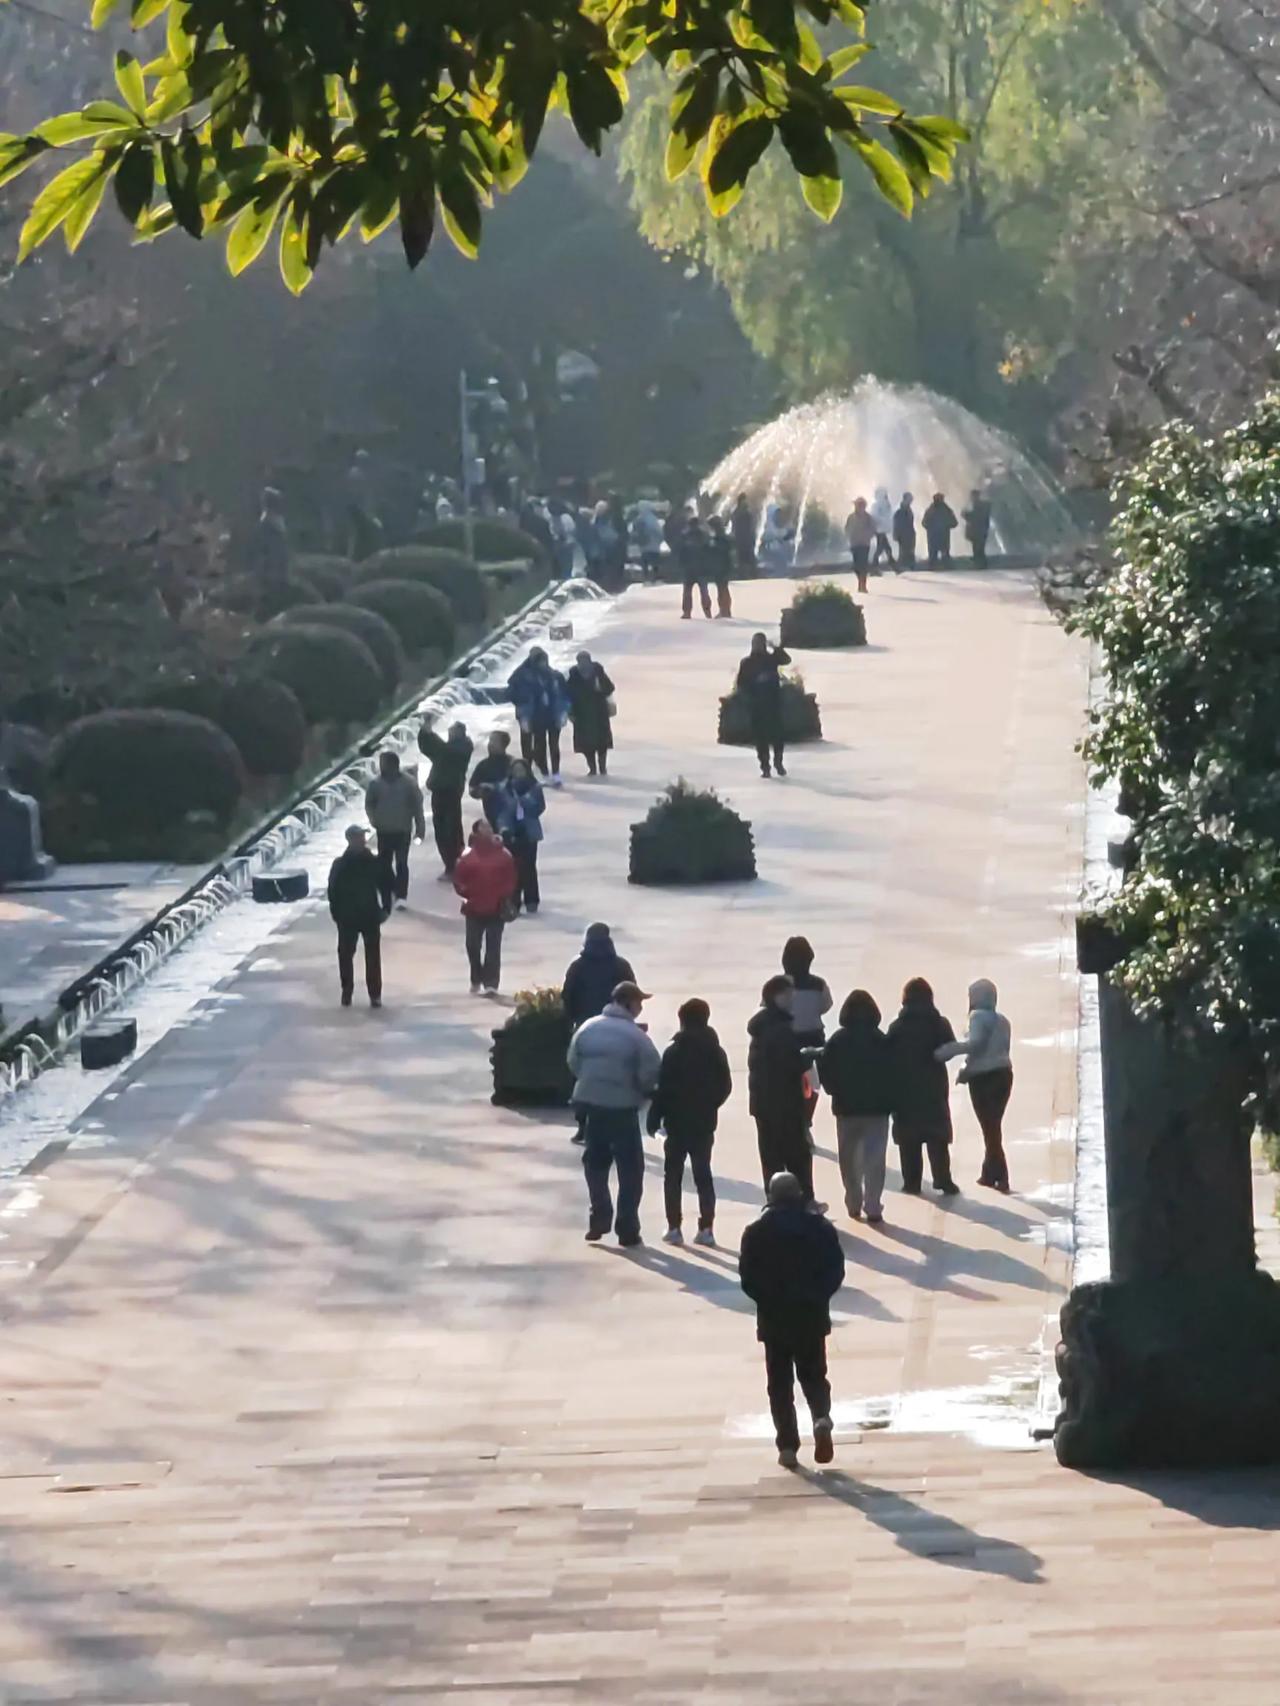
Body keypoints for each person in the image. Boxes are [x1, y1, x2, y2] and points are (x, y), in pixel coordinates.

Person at [739, 1171, 844, 1469]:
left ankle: (787, 1445)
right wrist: (819, 1295)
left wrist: (767, 1299)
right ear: (799, 1194)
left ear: (771, 1196)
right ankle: (821, 1417)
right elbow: (835, 1270)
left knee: (779, 1383)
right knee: (814, 1375)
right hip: (810, 1314)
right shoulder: (820, 1228)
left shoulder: (756, 1232)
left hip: (775, 1319)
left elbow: (748, 1278)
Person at [568, 981, 662, 1248]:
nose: (641, 1008)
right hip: (622, 1107)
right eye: (639, 1003)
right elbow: (650, 1070)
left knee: (595, 1164)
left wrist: (591, 1082)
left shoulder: (588, 1027)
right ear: (629, 1003)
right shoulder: (636, 1036)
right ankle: (627, 1227)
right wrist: (642, 1092)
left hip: (592, 1105)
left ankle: (599, 1216)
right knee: (630, 1169)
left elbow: (573, 1061)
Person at [648, 998, 732, 1248]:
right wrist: (711, 1104)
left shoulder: (674, 1051)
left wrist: (655, 1117)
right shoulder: (715, 1051)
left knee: (672, 1175)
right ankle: (706, 1228)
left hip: (676, 1122)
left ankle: (674, 1227)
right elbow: (725, 1085)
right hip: (704, 1122)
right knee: (703, 1174)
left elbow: (663, 1088)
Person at [819, 990, 895, 1223]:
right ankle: (873, 1205)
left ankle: (853, 1200)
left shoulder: (837, 1040)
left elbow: (825, 1070)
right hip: (877, 1109)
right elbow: (895, 1074)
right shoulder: (881, 1039)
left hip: (846, 1109)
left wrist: (833, 1089)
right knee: (875, 1159)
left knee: (849, 1160)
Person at [936, 978, 1013, 1191]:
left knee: (990, 1126)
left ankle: (1001, 1174)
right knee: (993, 1124)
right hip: (1004, 1074)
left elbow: (976, 1046)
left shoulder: (977, 1016)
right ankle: (989, 1173)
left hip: (984, 1078)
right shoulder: (1003, 1021)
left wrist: (950, 1050)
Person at [887, 977, 959, 1195]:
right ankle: (943, 1179)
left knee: (909, 1139)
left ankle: (912, 1181)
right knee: (937, 1136)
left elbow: (888, 1057)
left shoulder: (897, 1027)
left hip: (904, 1089)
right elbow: (949, 1050)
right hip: (933, 1088)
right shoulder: (939, 1023)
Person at [748, 975, 814, 1201]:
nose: (792, 1000)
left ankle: (774, 1200)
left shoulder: (761, 1028)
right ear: (776, 997)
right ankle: (804, 1200)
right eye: (788, 995)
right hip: (785, 1103)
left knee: (770, 1158)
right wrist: (805, 1059)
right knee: (798, 1156)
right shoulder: (780, 1029)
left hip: (762, 1105)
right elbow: (789, 1065)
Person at [450, 819, 517, 995]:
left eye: (489, 827)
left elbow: (511, 879)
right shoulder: (467, 856)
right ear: (476, 832)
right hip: (473, 908)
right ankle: (476, 976)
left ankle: (491, 983)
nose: (488, 830)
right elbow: (458, 880)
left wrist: (504, 895)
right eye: (483, 827)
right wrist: (467, 893)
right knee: (472, 945)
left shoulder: (504, 855)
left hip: (496, 908)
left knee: (493, 947)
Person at [327, 825, 383, 1009]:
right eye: (360, 837)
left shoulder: (367, 862)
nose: (363, 840)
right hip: (354, 916)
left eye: (363, 837)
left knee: (366, 955)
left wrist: (385, 909)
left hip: (361, 916)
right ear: (351, 839)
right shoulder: (345, 864)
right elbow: (332, 892)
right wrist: (336, 913)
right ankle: (350, 991)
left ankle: (372, 993)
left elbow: (386, 884)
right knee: (350, 955)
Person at [364, 749, 425, 915]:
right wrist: (373, 819)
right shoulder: (375, 784)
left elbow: (417, 806)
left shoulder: (408, 783)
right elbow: (369, 803)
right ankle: (391, 888)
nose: (381, 767)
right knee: (384, 863)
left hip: (403, 829)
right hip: (383, 830)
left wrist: (420, 828)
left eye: (384, 763)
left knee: (401, 863)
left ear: (393, 765)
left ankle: (401, 896)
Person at [781, 936, 833, 1131]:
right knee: (813, 1083)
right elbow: (826, 1005)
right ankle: (807, 1119)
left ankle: (792, 1118)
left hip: (787, 1038)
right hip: (813, 1037)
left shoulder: (780, 985)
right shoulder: (819, 984)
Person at [417, 716, 474, 877]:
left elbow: (441, 749)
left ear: (460, 733)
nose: (449, 735)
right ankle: (450, 865)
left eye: (452, 732)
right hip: (439, 791)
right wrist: (425, 733)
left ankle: (456, 864)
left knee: (451, 828)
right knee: (440, 828)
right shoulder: (447, 749)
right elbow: (428, 748)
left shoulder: (462, 748)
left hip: (451, 791)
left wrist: (429, 733)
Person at [491, 758, 545, 915]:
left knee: (529, 867)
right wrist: (503, 828)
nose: (518, 773)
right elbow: (500, 811)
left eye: (521, 770)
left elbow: (539, 808)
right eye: (515, 770)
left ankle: (532, 900)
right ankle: (514, 902)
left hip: (529, 832)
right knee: (512, 869)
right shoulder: (504, 788)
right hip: (510, 832)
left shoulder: (534, 788)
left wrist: (522, 800)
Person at [507, 647, 569, 785]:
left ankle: (556, 773)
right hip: (535, 716)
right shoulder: (522, 677)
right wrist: (523, 708)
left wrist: (564, 712)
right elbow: (511, 694)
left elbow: (564, 695)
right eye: (540, 661)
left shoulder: (554, 676)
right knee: (539, 746)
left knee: (554, 745)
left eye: (545, 661)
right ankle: (544, 772)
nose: (543, 664)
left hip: (552, 714)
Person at [736, 633, 792, 778]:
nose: (758, 646)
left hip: (773, 703)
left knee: (778, 736)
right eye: (756, 643)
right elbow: (741, 684)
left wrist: (776, 648)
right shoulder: (747, 662)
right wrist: (749, 696)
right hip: (757, 706)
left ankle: (778, 763)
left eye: (761, 643)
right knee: (761, 739)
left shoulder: (771, 659)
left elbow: (786, 660)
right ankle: (765, 767)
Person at [565, 650, 616, 778]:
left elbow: (610, 688)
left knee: (602, 743)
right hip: (581, 714)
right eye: (580, 661)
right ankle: (592, 768)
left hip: (599, 712)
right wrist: (570, 712)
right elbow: (568, 694)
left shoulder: (598, 672)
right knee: (586, 745)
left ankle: (602, 767)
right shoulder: (574, 674)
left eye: (585, 660)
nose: (583, 663)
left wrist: (601, 687)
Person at [468, 728, 513, 829]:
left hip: (512, 813)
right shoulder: (483, 765)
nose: (490, 744)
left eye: (494, 741)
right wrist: (481, 791)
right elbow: (472, 788)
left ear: (503, 745)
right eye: (490, 740)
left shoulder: (513, 763)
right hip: (491, 813)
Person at [680, 515, 713, 620]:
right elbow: (708, 551)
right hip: (701, 568)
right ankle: (707, 612)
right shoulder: (704, 536)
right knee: (704, 591)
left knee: (687, 592)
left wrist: (681, 564)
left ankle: (687, 612)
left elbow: (680, 553)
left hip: (689, 569)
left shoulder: (685, 536)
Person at [844, 496, 875, 593]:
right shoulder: (851, 517)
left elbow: (872, 529)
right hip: (854, 544)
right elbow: (847, 528)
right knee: (856, 566)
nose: (858, 507)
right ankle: (860, 581)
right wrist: (849, 537)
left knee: (863, 565)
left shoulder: (868, 517)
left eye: (861, 505)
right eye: (857, 505)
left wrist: (867, 536)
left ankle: (863, 585)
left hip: (864, 544)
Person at [707, 515, 734, 617]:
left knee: (722, 588)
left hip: (721, 566)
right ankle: (724, 609)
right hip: (724, 565)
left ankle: (724, 610)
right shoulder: (722, 537)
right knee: (723, 588)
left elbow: (719, 551)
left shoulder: (718, 538)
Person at [922, 492, 958, 567]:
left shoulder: (932, 510)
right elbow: (954, 522)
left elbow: (924, 523)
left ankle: (936, 566)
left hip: (936, 536)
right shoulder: (945, 510)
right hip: (940, 536)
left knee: (936, 554)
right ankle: (942, 566)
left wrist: (930, 528)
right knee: (940, 554)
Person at [963, 489, 992, 567]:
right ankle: (981, 563)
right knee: (979, 548)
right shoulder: (983, 505)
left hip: (977, 530)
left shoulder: (977, 505)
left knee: (978, 548)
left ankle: (980, 563)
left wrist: (965, 514)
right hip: (981, 530)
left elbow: (974, 517)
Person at [731, 492, 757, 576]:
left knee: (749, 556)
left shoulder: (747, 511)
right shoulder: (737, 511)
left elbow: (752, 524)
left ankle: (752, 573)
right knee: (741, 557)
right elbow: (734, 524)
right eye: (744, 500)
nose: (745, 502)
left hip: (747, 537)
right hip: (740, 537)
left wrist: (753, 535)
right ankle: (742, 574)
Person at [870, 487, 894, 567]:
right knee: (882, 548)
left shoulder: (886, 504)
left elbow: (889, 516)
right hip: (879, 530)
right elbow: (875, 516)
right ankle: (893, 565)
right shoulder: (877, 505)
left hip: (882, 530)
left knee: (885, 548)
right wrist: (882, 522)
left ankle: (892, 564)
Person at [892, 492, 916, 570]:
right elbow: (898, 524)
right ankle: (904, 565)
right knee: (905, 550)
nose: (911, 501)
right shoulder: (901, 511)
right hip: (904, 534)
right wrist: (896, 534)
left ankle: (908, 565)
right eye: (910, 499)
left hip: (909, 533)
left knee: (909, 550)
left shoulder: (908, 509)